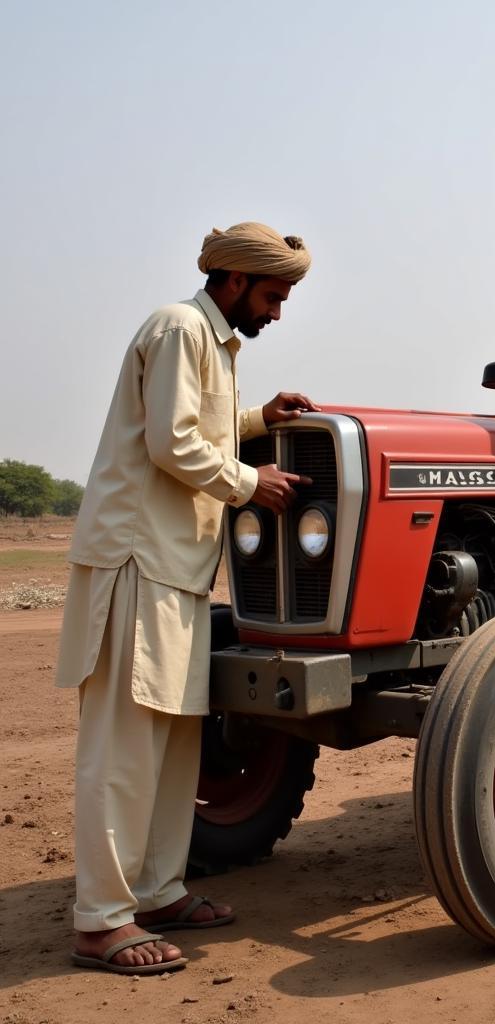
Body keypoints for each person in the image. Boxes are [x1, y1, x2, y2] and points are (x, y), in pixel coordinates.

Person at [55, 221, 320, 975]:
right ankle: (102, 921)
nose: (277, 312)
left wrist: (256, 421)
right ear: (233, 281)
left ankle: (159, 891)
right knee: (124, 748)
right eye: (273, 294)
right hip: (136, 561)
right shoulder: (178, 328)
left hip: (178, 570)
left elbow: (197, 427)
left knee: (174, 741)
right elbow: (172, 442)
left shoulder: (215, 343)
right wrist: (250, 480)